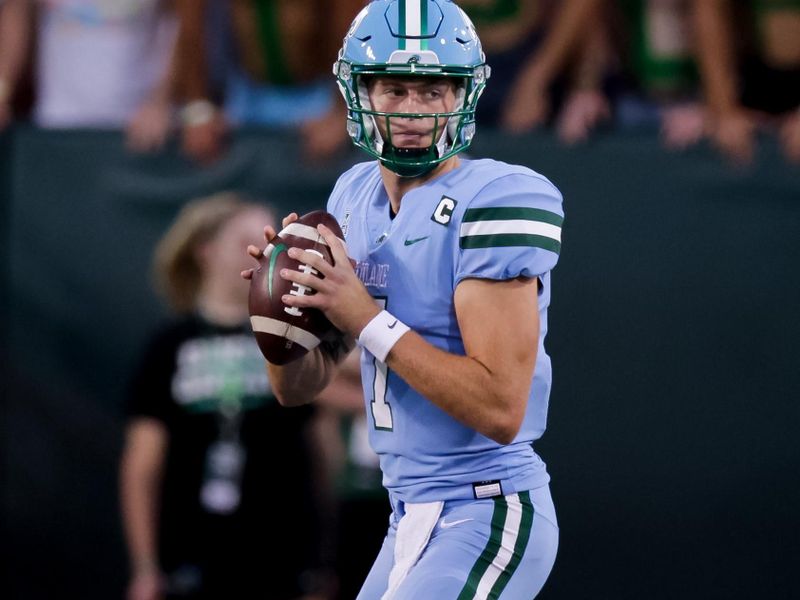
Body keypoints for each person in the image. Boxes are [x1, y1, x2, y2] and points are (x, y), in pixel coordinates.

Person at [244, 1, 564, 597]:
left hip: (487, 510)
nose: (414, 110)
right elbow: (297, 390)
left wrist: (363, 314)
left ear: (463, 96)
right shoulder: (353, 194)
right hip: (408, 513)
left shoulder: (496, 198)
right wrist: (281, 313)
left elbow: (500, 410)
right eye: (394, 90)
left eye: (434, 90)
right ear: (359, 93)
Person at [120, 193, 328, 600]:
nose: (263, 254)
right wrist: (144, 567)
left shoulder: (294, 340)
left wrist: (322, 560)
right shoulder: (170, 344)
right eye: (245, 242)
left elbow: (321, 450)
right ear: (206, 252)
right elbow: (142, 463)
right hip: (190, 552)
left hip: (279, 554)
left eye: (273, 244)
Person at [0, 0, 178, 151]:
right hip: (56, 125)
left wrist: (160, 100)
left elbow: (185, 22)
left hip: (139, 131)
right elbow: (17, 9)